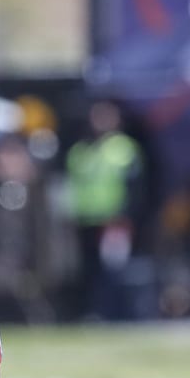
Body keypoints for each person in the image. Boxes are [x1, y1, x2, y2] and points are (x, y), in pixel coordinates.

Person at [62, 101, 144, 320]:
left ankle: (115, 314)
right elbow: (70, 186)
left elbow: (135, 188)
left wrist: (125, 216)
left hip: (113, 221)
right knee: (88, 269)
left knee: (112, 269)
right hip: (85, 220)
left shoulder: (124, 149)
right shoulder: (80, 151)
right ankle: (93, 312)